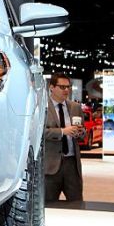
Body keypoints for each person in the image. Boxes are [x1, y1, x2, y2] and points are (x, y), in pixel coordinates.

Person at [44, 73, 84, 202]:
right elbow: (40, 133)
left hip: (72, 164)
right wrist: (62, 131)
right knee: (48, 206)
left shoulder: (75, 107)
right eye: (62, 87)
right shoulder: (43, 107)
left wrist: (81, 132)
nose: (66, 90)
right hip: (50, 166)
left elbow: (83, 132)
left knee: (77, 204)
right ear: (52, 87)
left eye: (68, 87)